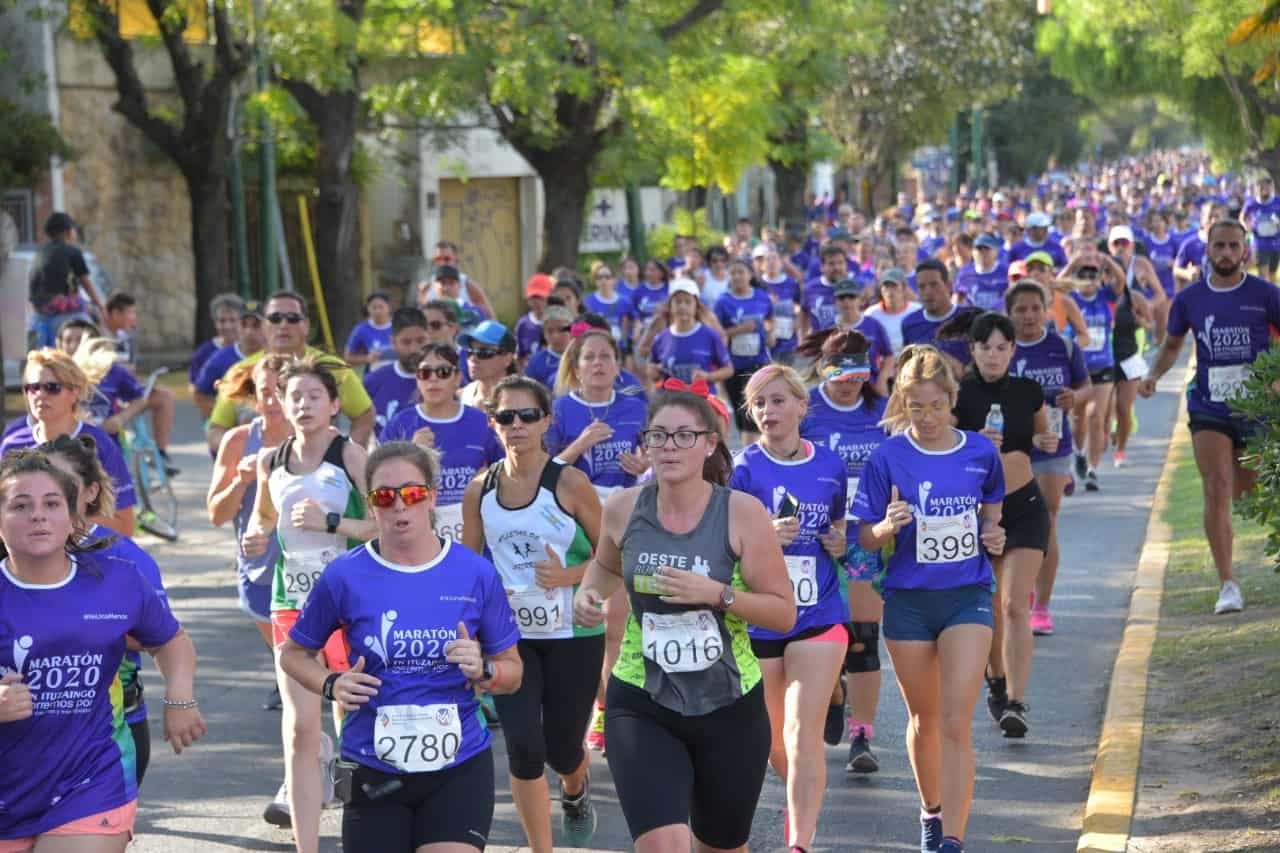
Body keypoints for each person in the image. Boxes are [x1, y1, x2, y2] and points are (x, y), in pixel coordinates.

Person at [571, 387, 795, 853]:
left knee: (721, 846)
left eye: (683, 436)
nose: (669, 447)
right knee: (663, 844)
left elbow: (782, 612)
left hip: (729, 702)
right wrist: (589, 593)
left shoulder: (741, 513)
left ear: (710, 443)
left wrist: (718, 594)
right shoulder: (623, 508)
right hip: (642, 696)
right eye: (658, 436)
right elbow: (606, 567)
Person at [278, 440, 523, 853]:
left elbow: (513, 672)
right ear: (370, 505)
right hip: (370, 764)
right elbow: (293, 654)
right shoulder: (344, 575)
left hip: (459, 763)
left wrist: (484, 669)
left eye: (411, 493)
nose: (398, 506)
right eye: (384, 497)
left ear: (431, 498)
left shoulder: (474, 572)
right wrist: (331, 684)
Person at [0, 450, 205, 850]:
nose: (38, 516)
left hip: (91, 780)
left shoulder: (118, 580)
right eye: (20, 506)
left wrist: (180, 697)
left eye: (52, 504)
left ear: (72, 517)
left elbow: (171, 640)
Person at [853, 344, 1005, 853]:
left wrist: (994, 534)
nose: (927, 417)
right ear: (902, 404)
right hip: (909, 601)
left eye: (936, 406)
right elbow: (864, 538)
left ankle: (953, 841)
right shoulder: (888, 457)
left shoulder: (979, 452)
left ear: (952, 399)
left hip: (966, 596)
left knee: (957, 720)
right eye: (916, 407)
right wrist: (885, 526)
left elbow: (992, 513)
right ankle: (931, 811)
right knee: (925, 720)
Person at [461, 376, 604, 852]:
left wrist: (569, 576)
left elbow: (614, 557)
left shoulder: (569, 483)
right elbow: (470, 567)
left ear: (546, 421)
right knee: (524, 748)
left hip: (573, 634)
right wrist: (473, 620)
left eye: (528, 416)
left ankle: (575, 788)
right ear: (493, 424)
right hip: (510, 638)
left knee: (562, 749)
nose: (517, 425)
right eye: (506, 416)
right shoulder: (480, 489)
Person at [242, 357, 377, 851]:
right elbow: (262, 517)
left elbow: (383, 525)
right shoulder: (270, 461)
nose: (303, 405)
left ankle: (363, 828)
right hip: (291, 603)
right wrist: (256, 536)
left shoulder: (351, 456)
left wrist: (332, 523)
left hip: (348, 604)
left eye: (314, 396)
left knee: (351, 720)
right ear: (281, 403)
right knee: (300, 728)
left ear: (334, 404)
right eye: (294, 396)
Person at [730, 365, 848, 852]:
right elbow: (724, 545)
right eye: (758, 403)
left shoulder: (830, 464)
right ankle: (800, 795)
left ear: (802, 405)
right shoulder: (742, 469)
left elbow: (838, 527)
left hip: (818, 614)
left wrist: (839, 542)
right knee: (773, 742)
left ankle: (799, 842)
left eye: (778, 400)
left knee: (803, 736)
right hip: (761, 619)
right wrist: (762, 538)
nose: (768, 411)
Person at [1140, 220, 1280, 615]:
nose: (1226, 253)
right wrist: (1153, 375)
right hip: (1209, 406)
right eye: (1219, 245)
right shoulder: (1190, 299)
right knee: (1216, 488)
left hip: (1256, 408)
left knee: (1247, 493)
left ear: (1245, 251)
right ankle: (1227, 583)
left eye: (1234, 246)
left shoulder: (1266, 294)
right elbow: (1172, 345)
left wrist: (1275, 381)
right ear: (1208, 250)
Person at [41, 434, 170, 786]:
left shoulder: (124, 557)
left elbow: (163, 636)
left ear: (91, 492)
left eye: (65, 484)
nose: (51, 495)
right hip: (26, 734)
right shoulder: (12, 552)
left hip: (113, 728)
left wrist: (180, 700)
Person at [953, 313, 1055, 738]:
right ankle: (995, 680)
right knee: (991, 606)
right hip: (979, 512)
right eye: (985, 347)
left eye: (1001, 348)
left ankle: (1015, 700)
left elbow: (1043, 437)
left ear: (1013, 350)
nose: (993, 355)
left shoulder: (1028, 391)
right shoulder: (958, 394)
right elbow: (942, 450)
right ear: (972, 350)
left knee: (1015, 604)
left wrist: (1045, 441)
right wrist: (973, 441)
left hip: (1025, 504)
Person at [547, 328, 649, 753]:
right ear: (575, 366)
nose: (599, 364)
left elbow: (653, 457)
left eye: (606, 355)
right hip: (577, 515)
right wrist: (581, 443)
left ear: (617, 364)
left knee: (616, 622)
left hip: (625, 512)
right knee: (583, 620)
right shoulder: (560, 409)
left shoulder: (635, 406)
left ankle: (610, 709)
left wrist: (643, 464)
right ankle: (595, 702)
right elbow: (547, 469)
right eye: (589, 357)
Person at [797, 329, 889, 774]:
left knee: (863, 638)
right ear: (823, 369)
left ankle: (862, 735)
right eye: (840, 374)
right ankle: (834, 692)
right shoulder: (806, 409)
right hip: (812, 537)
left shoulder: (882, 411)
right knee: (820, 634)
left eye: (857, 374)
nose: (849, 383)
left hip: (864, 537)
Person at [1006, 282, 1090, 637]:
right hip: (1014, 447)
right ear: (1010, 313)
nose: (1028, 316)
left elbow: (1085, 386)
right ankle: (1021, 589)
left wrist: (1076, 398)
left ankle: (1042, 604)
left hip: (1054, 445)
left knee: (1046, 521)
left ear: (1046, 310)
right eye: (1021, 309)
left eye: (1035, 308)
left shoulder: (1063, 346)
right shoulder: (1003, 349)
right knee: (1014, 522)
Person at [206, 357, 290, 693]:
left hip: (313, 567)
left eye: (281, 391)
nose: (272, 401)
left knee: (306, 663)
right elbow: (217, 514)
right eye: (265, 392)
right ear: (254, 397)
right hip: (260, 569)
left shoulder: (320, 441)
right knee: (288, 657)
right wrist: (240, 481)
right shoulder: (239, 441)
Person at [206, 291, 375, 453]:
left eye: (293, 318)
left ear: (306, 325)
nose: (283, 325)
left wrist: (345, 457)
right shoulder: (241, 371)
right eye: (275, 318)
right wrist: (241, 454)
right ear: (264, 326)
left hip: (317, 470)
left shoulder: (333, 368)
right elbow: (216, 430)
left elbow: (365, 415)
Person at [1, 349, 137, 536]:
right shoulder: (12, 443)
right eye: (32, 387)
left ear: (75, 392)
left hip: (85, 550)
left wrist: (62, 522)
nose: (40, 394)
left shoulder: (100, 445)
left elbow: (125, 525)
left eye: (52, 387)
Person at [381, 344, 503, 545]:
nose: (433, 379)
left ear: (458, 378)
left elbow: (507, 471)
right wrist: (411, 452)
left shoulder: (481, 422)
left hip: (476, 531)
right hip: (418, 535)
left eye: (443, 372)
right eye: (425, 373)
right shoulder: (400, 424)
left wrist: (487, 478)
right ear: (417, 378)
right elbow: (382, 482)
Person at [1103, 229, 1156, 467]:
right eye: (1108, 273)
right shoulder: (1099, 298)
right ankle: (1102, 442)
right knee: (1104, 412)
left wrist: (1141, 321)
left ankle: (1121, 451)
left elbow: (1150, 323)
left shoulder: (1134, 297)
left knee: (1124, 409)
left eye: (1117, 273)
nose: (1112, 278)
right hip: (1104, 359)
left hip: (1129, 357)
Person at [714, 259, 774, 444]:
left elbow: (770, 317)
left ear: (750, 275)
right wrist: (740, 330)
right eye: (733, 273)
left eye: (741, 272)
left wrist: (771, 333)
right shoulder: (723, 302)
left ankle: (753, 453)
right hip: (733, 366)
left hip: (758, 363)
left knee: (753, 411)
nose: (737, 276)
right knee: (741, 413)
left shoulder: (761, 297)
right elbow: (717, 334)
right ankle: (751, 451)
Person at [26, 212, 107, 347]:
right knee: (96, 318)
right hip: (62, 308)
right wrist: (99, 305)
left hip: (40, 311)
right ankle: (99, 352)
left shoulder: (39, 253)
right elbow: (86, 283)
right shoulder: (73, 252)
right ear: (68, 232)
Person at [647, 279, 732, 392]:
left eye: (688, 302)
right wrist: (654, 373)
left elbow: (728, 369)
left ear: (696, 306)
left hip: (702, 399)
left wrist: (708, 377)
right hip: (671, 400)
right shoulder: (661, 338)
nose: (682, 306)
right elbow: (652, 369)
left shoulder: (710, 335)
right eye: (678, 302)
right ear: (670, 306)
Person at [193, 299, 267, 419]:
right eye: (244, 325)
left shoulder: (275, 356)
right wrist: (223, 417)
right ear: (238, 326)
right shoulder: (219, 358)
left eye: (256, 325)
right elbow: (199, 394)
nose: (249, 331)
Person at [362, 307, 431, 433]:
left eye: (421, 341)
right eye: (406, 342)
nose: (414, 349)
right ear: (393, 341)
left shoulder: (446, 378)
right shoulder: (372, 382)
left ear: (429, 338)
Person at [189, 293, 245, 399]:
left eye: (232, 320)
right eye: (222, 321)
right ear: (215, 322)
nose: (227, 326)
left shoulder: (252, 349)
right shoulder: (204, 352)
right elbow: (195, 389)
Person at [457, 320, 518, 408]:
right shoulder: (460, 397)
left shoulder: (524, 400)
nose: (473, 358)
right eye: (470, 351)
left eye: (484, 352)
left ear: (507, 359)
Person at [865, 267, 921, 353]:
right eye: (886, 286)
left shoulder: (917, 311)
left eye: (894, 286)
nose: (890, 291)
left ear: (904, 288)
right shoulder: (871, 314)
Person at [524, 305, 575, 391]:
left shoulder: (584, 356)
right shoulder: (536, 362)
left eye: (561, 329)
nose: (555, 336)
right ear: (544, 334)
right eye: (550, 331)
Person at [954, 233, 1008, 312]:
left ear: (996, 251)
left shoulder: (1005, 270)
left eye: (987, 248)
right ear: (972, 252)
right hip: (972, 317)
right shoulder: (965, 272)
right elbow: (957, 298)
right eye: (979, 248)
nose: (983, 252)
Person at [343, 292, 395, 371]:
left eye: (381, 307)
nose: (378, 311)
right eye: (374, 307)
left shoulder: (399, 326)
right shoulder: (361, 329)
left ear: (389, 307)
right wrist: (367, 358)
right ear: (368, 309)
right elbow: (347, 357)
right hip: (374, 374)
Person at [1241, 174, 1280, 278]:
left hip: (1276, 243)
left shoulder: (1278, 201)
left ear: (1272, 188)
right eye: (1262, 187)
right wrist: (1246, 227)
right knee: (1263, 275)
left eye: (1267, 187)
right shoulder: (1251, 203)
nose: (1265, 190)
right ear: (1257, 188)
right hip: (1259, 243)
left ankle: (1272, 289)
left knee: (1272, 275)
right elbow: (1242, 217)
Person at [516, 274, 553, 362]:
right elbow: (519, 355)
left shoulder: (557, 322)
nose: (537, 302)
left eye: (541, 297)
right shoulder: (523, 324)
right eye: (533, 297)